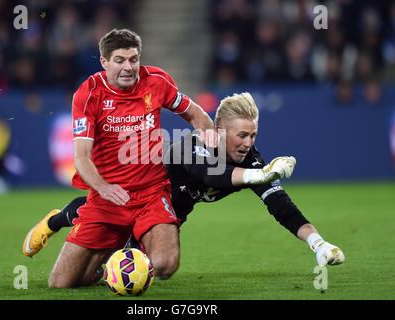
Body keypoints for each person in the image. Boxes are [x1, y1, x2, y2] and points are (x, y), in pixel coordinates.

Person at [23, 92, 344, 280]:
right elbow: (210, 176)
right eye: (241, 136)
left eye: (253, 136)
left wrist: (318, 244)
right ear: (218, 131)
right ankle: (56, 220)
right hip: (139, 193)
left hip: (171, 212)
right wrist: (261, 176)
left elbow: (280, 206)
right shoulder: (192, 146)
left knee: (119, 270)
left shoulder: (250, 161)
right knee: (105, 225)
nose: (248, 144)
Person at [26, 28, 214, 288]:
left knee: (165, 266)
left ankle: (126, 251)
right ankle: (68, 222)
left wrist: (210, 137)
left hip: (151, 192)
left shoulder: (157, 81)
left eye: (134, 60)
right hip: (107, 198)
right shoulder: (89, 93)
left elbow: (195, 114)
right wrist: (103, 188)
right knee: (60, 283)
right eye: (120, 60)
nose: (129, 67)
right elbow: (81, 156)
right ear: (104, 62)